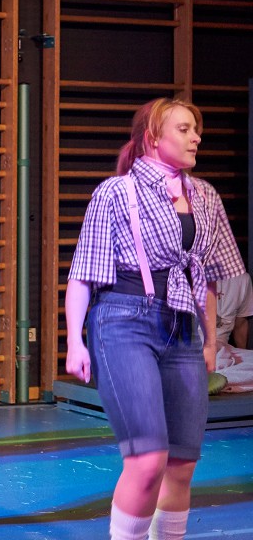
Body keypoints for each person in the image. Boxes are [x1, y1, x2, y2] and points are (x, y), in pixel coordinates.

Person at [64, 97, 245, 540]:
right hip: (123, 320)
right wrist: (74, 341)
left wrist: (209, 341)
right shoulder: (116, 192)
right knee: (147, 460)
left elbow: (207, 277)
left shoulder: (205, 195)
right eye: (184, 129)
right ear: (152, 138)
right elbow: (83, 273)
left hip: (182, 327)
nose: (195, 137)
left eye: (196, 129)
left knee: (181, 463)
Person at [215, 271, 252, 349]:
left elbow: (240, 324)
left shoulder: (242, 278)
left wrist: (242, 352)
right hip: (192, 348)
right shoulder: (190, 274)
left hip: (221, 349)